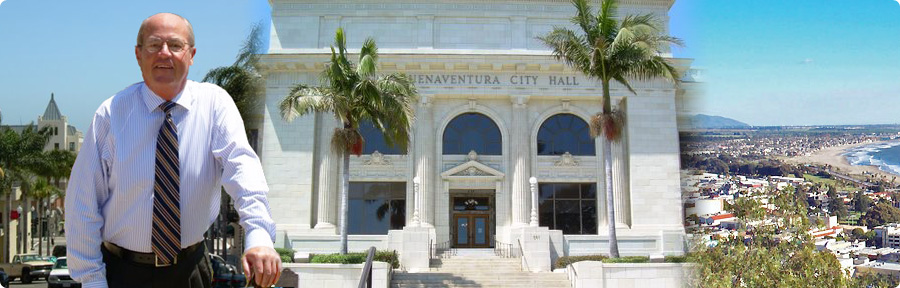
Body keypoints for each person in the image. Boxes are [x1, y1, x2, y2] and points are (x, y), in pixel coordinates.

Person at [65, 13, 281, 288]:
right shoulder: (111, 113)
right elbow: (83, 203)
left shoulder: (215, 105)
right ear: (138, 54)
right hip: (122, 273)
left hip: (190, 272)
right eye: (154, 45)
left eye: (175, 45)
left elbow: (244, 172)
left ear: (191, 55)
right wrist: (92, 281)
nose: (164, 53)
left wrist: (259, 235)